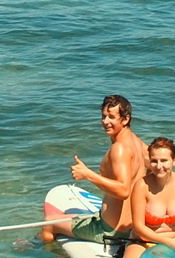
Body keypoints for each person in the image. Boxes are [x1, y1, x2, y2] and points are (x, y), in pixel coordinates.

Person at [43, 94, 145, 248]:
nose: (105, 121)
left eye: (111, 117)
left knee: (49, 223)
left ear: (125, 119)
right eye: (103, 116)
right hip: (132, 226)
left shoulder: (119, 149)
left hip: (111, 230)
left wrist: (88, 174)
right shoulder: (139, 144)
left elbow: (124, 190)